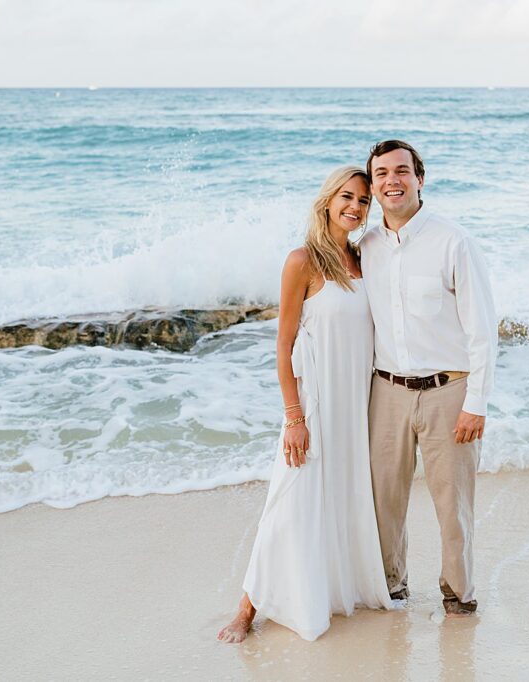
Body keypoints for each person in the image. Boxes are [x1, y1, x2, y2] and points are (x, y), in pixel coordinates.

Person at [217, 166, 393, 643]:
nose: (355, 207)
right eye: (347, 197)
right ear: (327, 201)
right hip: (315, 402)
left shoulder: (364, 259)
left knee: (340, 496)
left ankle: (332, 589)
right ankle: (246, 609)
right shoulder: (302, 261)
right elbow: (283, 345)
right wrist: (293, 417)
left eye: (362, 200)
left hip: (356, 403)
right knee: (290, 500)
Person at [359, 140, 498, 617]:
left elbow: (483, 329)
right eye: (381, 174)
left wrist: (476, 402)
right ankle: (390, 588)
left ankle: (458, 596)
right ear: (373, 186)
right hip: (386, 391)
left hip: (448, 391)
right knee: (383, 501)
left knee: (452, 505)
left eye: (401, 171)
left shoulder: (453, 241)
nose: (391, 180)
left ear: (421, 178)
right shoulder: (366, 247)